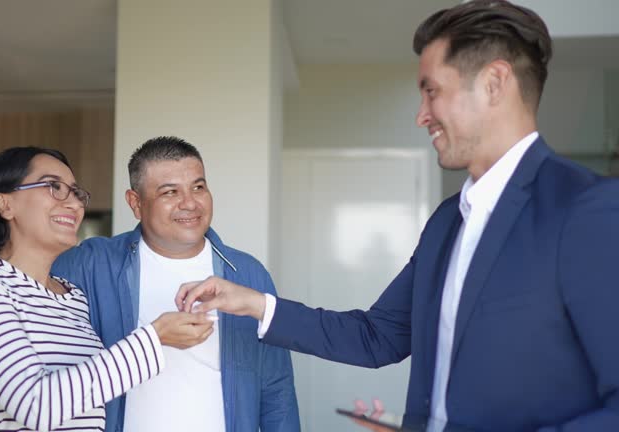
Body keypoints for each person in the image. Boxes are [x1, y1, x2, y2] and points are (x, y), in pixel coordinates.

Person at [175, 1, 619, 430]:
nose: (421, 115)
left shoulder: (588, 210)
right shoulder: (448, 222)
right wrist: (252, 303)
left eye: (432, 91)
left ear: (494, 83)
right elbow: (377, 336)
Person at [0, 137, 300, 432]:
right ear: (136, 203)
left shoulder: (247, 274)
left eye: (198, 187)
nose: (190, 203)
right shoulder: (88, 264)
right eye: (169, 191)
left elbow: (277, 388)